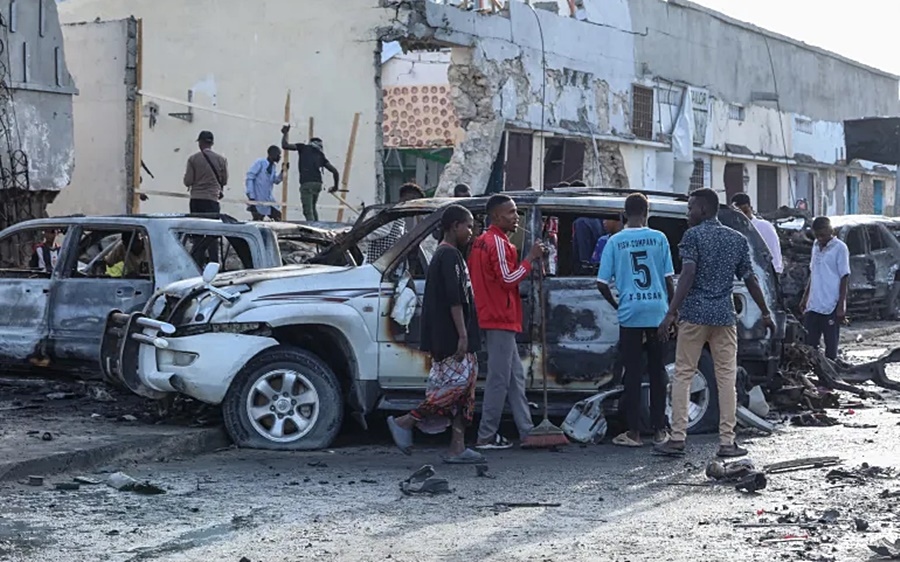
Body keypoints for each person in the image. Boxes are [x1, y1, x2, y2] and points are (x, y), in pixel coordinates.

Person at [655, 188, 775, 459]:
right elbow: (750, 279)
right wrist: (766, 313)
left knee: (683, 375)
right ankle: (727, 442)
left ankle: (677, 437)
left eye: (691, 208)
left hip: (694, 316)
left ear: (704, 209)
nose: (688, 214)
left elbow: (688, 273)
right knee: (726, 379)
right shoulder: (736, 239)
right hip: (724, 317)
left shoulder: (693, 236)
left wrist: (671, 312)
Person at [386, 205, 485, 464]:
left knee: (465, 393)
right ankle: (406, 421)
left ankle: (457, 447)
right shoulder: (448, 256)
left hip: (454, 336)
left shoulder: (450, 255)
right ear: (455, 226)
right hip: (452, 337)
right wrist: (462, 335)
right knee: (456, 387)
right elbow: (455, 300)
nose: (471, 232)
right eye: (468, 226)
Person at [597, 193, 675, 448]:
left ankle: (634, 433)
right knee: (658, 371)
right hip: (657, 311)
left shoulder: (615, 241)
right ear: (646, 212)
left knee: (631, 372)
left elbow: (601, 283)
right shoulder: (659, 238)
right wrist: (671, 313)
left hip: (630, 313)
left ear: (624, 213)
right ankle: (660, 430)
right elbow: (668, 279)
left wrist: (617, 305)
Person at [468, 194, 545, 449]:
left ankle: (526, 430)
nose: (516, 217)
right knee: (499, 379)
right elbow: (508, 279)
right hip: (499, 316)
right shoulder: (498, 243)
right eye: (511, 212)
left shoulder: (482, 242)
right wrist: (530, 259)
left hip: (494, 315)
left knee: (514, 378)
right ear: (496, 216)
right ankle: (486, 435)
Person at [800, 216, 850, 360]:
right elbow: (813, 272)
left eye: (822, 235)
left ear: (830, 230)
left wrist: (841, 305)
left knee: (831, 346)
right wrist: (805, 298)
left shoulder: (840, 248)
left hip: (831, 304)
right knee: (809, 345)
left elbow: (844, 276)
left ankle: (831, 371)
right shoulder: (815, 246)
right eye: (817, 235)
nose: (820, 238)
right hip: (814, 304)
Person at [280, 125, 340, 222]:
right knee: (313, 208)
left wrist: (285, 133)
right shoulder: (320, 155)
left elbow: (285, 145)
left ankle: (312, 228)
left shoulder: (303, 147)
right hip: (318, 184)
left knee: (308, 211)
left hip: (306, 183)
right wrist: (335, 187)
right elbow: (335, 171)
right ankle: (318, 226)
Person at [362, 183, 425, 264]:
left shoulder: (400, 220)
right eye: (415, 203)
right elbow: (371, 233)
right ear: (407, 199)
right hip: (378, 267)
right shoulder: (389, 217)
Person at [731, 193, 783, 274]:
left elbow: (774, 251)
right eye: (738, 213)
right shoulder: (731, 230)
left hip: (763, 275)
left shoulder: (764, 226)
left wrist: (777, 272)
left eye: (745, 211)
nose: (743, 216)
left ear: (751, 209)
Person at [184, 130, 228, 215]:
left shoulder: (193, 159)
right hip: (212, 198)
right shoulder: (221, 160)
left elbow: (188, 181)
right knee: (210, 222)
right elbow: (224, 181)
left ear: (200, 143)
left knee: (197, 222)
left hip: (196, 199)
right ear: (212, 143)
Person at [245, 146, 283, 221]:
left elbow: (276, 181)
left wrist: (283, 172)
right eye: (278, 154)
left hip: (268, 200)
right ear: (272, 154)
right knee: (257, 220)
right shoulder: (260, 163)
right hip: (257, 199)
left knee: (279, 217)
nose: (279, 157)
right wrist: (251, 196)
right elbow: (250, 177)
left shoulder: (273, 167)